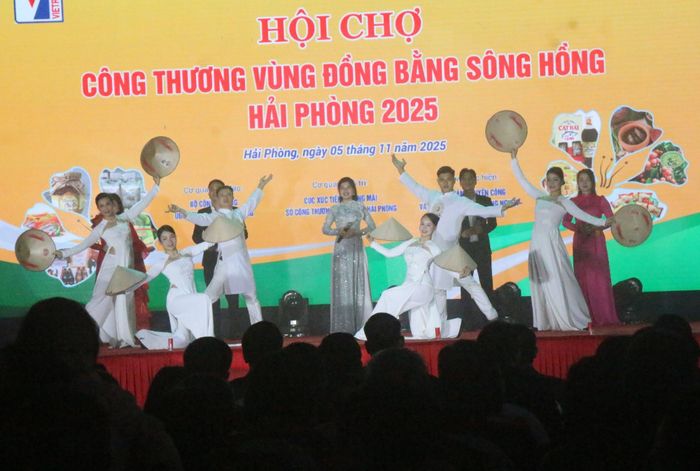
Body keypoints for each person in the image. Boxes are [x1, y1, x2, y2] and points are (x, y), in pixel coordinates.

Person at [391, 154, 519, 323]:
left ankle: (493, 317)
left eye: (449, 179)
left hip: (452, 253)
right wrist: (401, 169)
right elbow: (414, 186)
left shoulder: (461, 202)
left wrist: (502, 207)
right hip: (434, 253)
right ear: (438, 181)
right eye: (442, 179)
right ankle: (440, 327)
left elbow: (483, 210)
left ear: (453, 181)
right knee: (439, 291)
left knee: (471, 285)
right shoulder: (432, 196)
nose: (445, 183)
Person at [510, 149, 611, 330]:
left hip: (552, 244)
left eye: (555, 180)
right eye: (549, 180)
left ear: (562, 182)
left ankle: (568, 318)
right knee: (540, 282)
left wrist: (603, 222)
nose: (551, 183)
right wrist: (513, 159)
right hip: (537, 244)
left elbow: (582, 216)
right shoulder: (539, 196)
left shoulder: (565, 202)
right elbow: (523, 181)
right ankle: (545, 321)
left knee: (556, 280)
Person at [56, 176, 160, 348]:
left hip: (125, 269)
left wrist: (156, 186)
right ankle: (79, 328)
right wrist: (62, 253)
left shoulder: (124, 218)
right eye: (102, 206)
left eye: (108, 204)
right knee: (99, 301)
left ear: (114, 205)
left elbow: (142, 204)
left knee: (124, 303)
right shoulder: (100, 227)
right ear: (99, 208)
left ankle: (123, 339)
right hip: (110, 269)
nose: (106, 208)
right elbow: (83, 245)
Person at [169, 175, 272, 329]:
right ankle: (195, 327)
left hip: (242, 264)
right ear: (217, 198)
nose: (226, 197)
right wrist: (181, 211)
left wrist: (260, 186)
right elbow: (200, 218)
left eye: (229, 194)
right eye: (222, 194)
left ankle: (259, 331)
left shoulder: (238, 214)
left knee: (252, 298)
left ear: (233, 198)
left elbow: (252, 202)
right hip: (224, 265)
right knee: (209, 297)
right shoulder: (215, 216)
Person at [363, 213, 457, 339]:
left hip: (422, 286)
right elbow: (390, 253)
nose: (424, 228)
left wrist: (460, 274)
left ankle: (371, 331)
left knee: (387, 295)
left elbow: (444, 264)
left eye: (428, 225)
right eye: (422, 224)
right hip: (409, 285)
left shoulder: (435, 247)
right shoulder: (411, 242)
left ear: (435, 228)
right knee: (420, 331)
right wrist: (373, 243)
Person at [129, 225, 214, 349]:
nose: (169, 241)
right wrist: (124, 288)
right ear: (160, 242)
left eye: (171, 237)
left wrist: (220, 233)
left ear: (175, 237)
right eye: (165, 239)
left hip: (190, 297)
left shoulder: (187, 252)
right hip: (176, 299)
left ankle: (145, 337)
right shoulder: (162, 261)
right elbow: (145, 278)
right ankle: (208, 342)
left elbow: (207, 244)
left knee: (182, 339)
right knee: (203, 299)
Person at [562, 169, 619, 326]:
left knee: (599, 278)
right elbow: (565, 221)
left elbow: (611, 219)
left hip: (596, 240)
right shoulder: (573, 201)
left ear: (593, 182)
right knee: (583, 278)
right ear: (577, 183)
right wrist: (579, 228)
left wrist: (596, 227)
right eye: (581, 180)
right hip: (581, 242)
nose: (584, 183)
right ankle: (585, 318)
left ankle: (604, 316)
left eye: (587, 179)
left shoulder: (600, 200)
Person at [322, 177, 376, 334]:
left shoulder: (360, 206)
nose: (345, 190)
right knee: (343, 285)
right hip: (341, 249)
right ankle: (344, 326)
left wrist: (357, 232)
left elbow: (372, 226)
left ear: (353, 190)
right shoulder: (335, 209)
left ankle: (361, 325)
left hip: (356, 247)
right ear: (339, 191)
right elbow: (325, 229)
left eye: (348, 187)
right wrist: (338, 231)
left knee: (358, 281)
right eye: (342, 188)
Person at [192, 179, 245, 339]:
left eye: (219, 190)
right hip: (210, 261)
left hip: (231, 260)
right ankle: (215, 333)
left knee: (233, 298)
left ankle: (235, 333)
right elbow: (196, 237)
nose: (215, 193)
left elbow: (245, 234)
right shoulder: (202, 213)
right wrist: (210, 243)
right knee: (213, 299)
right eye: (212, 190)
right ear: (209, 193)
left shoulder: (235, 211)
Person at [458, 168, 498, 327]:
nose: (467, 181)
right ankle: (468, 322)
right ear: (460, 182)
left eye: (470, 178)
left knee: (487, 283)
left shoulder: (485, 200)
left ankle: (490, 322)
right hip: (464, 250)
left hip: (482, 248)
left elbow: (493, 223)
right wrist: (462, 233)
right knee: (466, 285)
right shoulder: (456, 202)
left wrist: (481, 230)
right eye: (464, 179)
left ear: (475, 181)